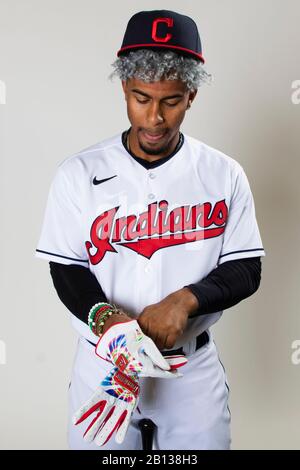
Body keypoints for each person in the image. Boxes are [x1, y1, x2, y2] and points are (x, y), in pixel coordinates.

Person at [35, 9, 266, 450]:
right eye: (141, 98)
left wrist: (186, 300)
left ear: (192, 94)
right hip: (103, 370)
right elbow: (66, 267)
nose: (155, 117)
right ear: (124, 87)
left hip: (190, 375)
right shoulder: (78, 173)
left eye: (171, 100)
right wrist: (105, 319)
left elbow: (245, 268)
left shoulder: (223, 173)